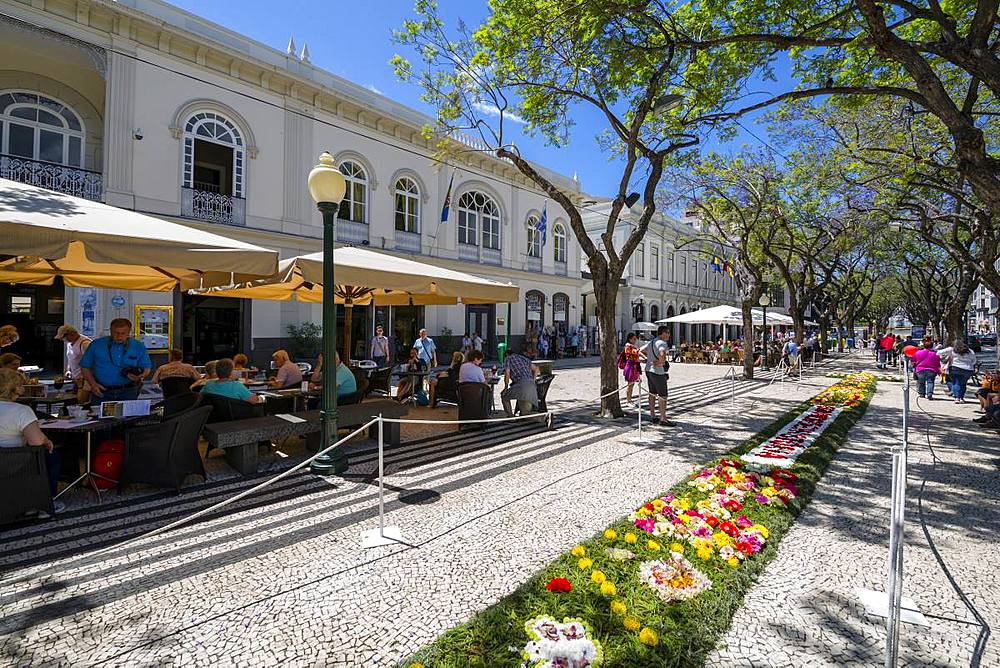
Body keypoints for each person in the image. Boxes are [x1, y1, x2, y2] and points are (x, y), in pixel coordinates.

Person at [0, 368, 64, 514]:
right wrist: (46, 440)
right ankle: (46, 500)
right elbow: (36, 441)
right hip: (12, 461)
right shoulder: (21, 410)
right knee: (51, 455)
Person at [79, 318, 151, 402]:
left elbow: (146, 367)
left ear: (129, 333)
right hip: (102, 390)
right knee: (98, 414)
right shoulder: (96, 344)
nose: (119, 336)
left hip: (128, 391)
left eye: (123, 333)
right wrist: (93, 384)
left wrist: (140, 376)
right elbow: (84, 366)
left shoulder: (138, 346)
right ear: (110, 331)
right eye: (116, 333)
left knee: (129, 415)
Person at [55, 325, 92, 402]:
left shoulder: (85, 344)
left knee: (81, 402)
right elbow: (71, 358)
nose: (63, 340)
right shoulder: (69, 343)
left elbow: (91, 363)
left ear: (71, 334)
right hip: (76, 379)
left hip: (84, 381)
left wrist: (84, 379)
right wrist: (69, 370)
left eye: (64, 338)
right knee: (72, 400)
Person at [645, 325, 672, 426]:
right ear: (663, 333)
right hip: (658, 372)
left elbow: (643, 351)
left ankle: (652, 415)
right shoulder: (662, 343)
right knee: (663, 395)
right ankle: (663, 418)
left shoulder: (651, 342)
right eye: (668, 332)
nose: (669, 335)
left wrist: (649, 360)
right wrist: (661, 362)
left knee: (652, 393)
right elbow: (662, 353)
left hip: (648, 370)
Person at [501, 346, 539, 416]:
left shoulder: (508, 359)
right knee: (526, 414)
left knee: (504, 395)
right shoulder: (523, 358)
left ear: (506, 355)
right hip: (531, 385)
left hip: (521, 384)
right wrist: (533, 380)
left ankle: (511, 416)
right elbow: (536, 369)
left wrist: (506, 387)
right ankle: (544, 417)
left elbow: (507, 373)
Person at [937, 340, 976, 404]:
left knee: (956, 383)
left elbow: (938, 353)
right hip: (967, 369)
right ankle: (961, 398)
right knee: (963, 384)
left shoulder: (951, 349)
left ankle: (957, 397)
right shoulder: (970, 351)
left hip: (955, 368)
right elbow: (974, 361)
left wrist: (947, 357)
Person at [621, 333, 642, 404]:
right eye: (634, 339)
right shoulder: (628, 346)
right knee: (630, 385)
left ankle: (629, 399)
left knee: (632, 385)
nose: (635, 340)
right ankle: (628, 400)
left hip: (634, 367)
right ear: (630, 339)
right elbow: (634, 353)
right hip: (631, 367)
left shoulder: (632, 346)